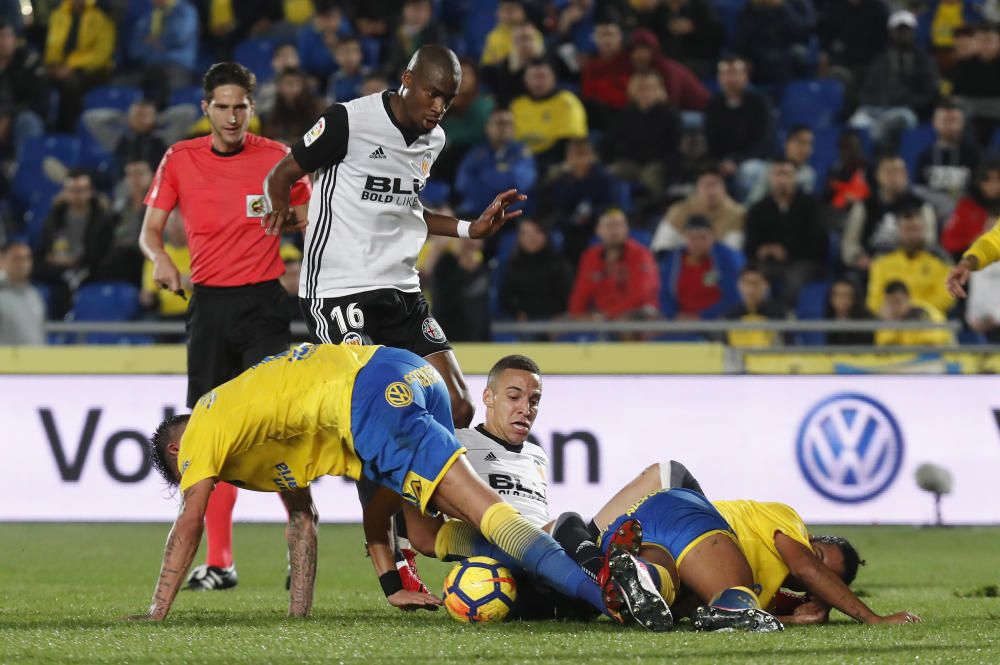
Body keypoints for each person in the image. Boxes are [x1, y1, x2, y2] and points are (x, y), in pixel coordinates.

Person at [131, 343, 669, 630]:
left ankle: (604, 593)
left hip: (368, 396)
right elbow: (303, 520)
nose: (197, 480)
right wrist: (327, 606)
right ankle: (582, 568)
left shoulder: (202, 424)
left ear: (178, 454)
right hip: (404, 371)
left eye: (186, 474)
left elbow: (190, 520)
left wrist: (156, 612)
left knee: (485, 511)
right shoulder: (259, 435)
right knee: (432, 535)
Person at [262, 45, 526, 588]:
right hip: (338, 291)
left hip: (401, 288)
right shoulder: (347, 121)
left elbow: (406, 207)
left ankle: (412, 522)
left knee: (455, 404)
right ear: (407, 80)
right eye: (432, 93)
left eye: (448, 99)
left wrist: (471, 229)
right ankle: (390, 552)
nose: (439, 108)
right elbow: (283, 171)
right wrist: (279, 205)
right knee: (377, 416)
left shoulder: (435, 139)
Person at [139, 62, 313, 591]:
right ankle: (220, 562)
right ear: (205, 109)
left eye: (241, 106)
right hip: (209, 306)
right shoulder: (180, 158)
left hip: (264, 305)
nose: (232, 116)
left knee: (275, 429)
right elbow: (150, 232)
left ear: (251, 108)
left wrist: (300, 236)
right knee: (209, 434)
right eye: (223, 106)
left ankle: (298, 543)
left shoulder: (277, 159)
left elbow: (311, 218)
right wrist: (161, 260)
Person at [743, 158, 828, 306]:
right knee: (754, 276)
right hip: (768, 263)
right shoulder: (759, 208)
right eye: (777, 174)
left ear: (795, 178)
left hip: (803, 261)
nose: (782, 180)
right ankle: (756, 313)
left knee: (794, 278)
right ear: (770, 178)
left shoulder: (811, 205)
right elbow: (750, 243)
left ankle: (784, 317)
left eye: (787, 174)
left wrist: (787, 251)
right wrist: (763, 250)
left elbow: (817, 242)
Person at [849, 10, 939, 149]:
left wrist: (909, 102)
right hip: (877, 109)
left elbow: (929, 93)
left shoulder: (924, 61)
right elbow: (867, 89)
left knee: (894, 120)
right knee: (856, 122)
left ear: (914, 32)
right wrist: (874, 103)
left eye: (907, 30)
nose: (903, 35)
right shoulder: (880, 60)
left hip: (908, 111)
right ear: (891, 33)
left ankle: (882, 154)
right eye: (899, 30)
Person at [568, 208, 660, 331]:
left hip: (640, 311)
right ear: (598, 230)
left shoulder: (641, 254)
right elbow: (580, 292)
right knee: (558, 326)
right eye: (609, 226)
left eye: (620, 225)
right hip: (602, 313)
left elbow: (639, 296)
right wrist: (578, 315)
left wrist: (606, 316)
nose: (615, 231)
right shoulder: (590, 256)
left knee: (623, 323)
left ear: (627, 229)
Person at [841, 154, 937, 271]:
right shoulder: (863, 206)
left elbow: (929, 241)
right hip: (871, 266)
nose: (894, 177)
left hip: (909, 266)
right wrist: (858, 257)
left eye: (898, 171)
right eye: (888, 172)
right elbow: (849, 242)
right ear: (877, 175)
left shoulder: (921, 206)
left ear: (906, 175)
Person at [866, 207, 953, 316]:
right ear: (898, 231)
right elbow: (873, 301)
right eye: (907, 230)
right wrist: (895, 310)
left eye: (915, 229)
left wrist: (912, 310)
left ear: (924, 230)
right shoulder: (881, 264)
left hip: (928, 323)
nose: (911, 235)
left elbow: (945, 298)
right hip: (892, 323)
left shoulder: (940, 263)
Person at [43, 0, 116, 131]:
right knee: (39, 78)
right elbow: (52, 46)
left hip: (92, 70)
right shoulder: (58, 15)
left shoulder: (101, 17)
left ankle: (68, 130)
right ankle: (44, 128)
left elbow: (101, 54)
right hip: (61, 67)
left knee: (70, 83)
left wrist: (71, 65)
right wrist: (53, 65)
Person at [454, 107, 537, 220]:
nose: (503, 128)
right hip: (477, 212)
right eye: (499, 123)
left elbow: (521, 182)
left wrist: (485, 176)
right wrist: (500, 175)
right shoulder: (477, 153)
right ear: (487, 127)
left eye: (508, 124)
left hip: (511, 214)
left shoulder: (522, 153)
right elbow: (462, 183)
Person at [510, 57, 589, 173]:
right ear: (525, 80)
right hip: (519, 162)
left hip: (554, 163)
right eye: (534, 77)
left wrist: (534, 163)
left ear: (554, 78)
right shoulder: (517, 104)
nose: (538, 82)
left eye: (543, 77)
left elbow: (569, 143)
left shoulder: (567, 102)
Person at [659, 215, 743, 320]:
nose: (697, 243)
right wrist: (674, 315)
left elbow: (733, 297)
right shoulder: (674, 261)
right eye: (692, 238)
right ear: (684, 238)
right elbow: (665, 293)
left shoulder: (727, 259)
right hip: (679, 321)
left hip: (717, 321)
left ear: (713, 236)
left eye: (702, 237)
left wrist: (702, 317)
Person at [652, 166, 746, 254]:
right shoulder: (679, 210)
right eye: (705, 185)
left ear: (724, 188)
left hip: (720, 264)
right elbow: (661, 247)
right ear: (697, 188)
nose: (711, 191)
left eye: (715, 185)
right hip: (686, 263)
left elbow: (735, 253)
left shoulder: (738, 213)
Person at [499, 218, 573, 323]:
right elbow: (505, 299)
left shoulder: (560, 265)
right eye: (525, 233)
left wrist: (559, 316)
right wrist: (516, 314)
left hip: (554, 321)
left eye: (536, 232)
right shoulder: (512, 266)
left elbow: (568, 296)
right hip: (523, 322)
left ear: (545, 235)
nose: (531, 237)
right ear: (519, 238)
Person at [915, 100, 980, 214]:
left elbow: (980, 191)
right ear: (935, 123)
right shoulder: (925, 156)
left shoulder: (974, 155)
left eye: (954, 120)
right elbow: (918, 190)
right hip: (932, 215)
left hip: (965, 214)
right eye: (945, 120)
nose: (950, 125)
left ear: (963, 122)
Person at [724, 265, 788, 348]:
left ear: (766, 285)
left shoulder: (779, 314)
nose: (751, 289)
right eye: (747, 283)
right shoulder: (729, 316)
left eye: (756, 283)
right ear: (739, 285)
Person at [875, 280, 954, 346]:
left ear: (908, 298)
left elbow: (936, 339)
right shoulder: (887, 317)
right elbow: (883, 344)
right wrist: (892, 325)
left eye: (898, 302)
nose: (894, 308)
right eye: (890, 303)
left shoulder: (923, 312)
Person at [0, 239, 45, 344]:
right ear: (3, 261)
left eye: (27, 258)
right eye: (16, 258)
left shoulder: (34, 295)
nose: (22, 264)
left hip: (33, 357)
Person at [824, 279, 874, 345]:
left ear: (854, 298)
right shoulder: (823, 321)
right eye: (838, 295)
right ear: (831, 298)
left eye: (846, 295)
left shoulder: (867, 321)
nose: (842, 299)